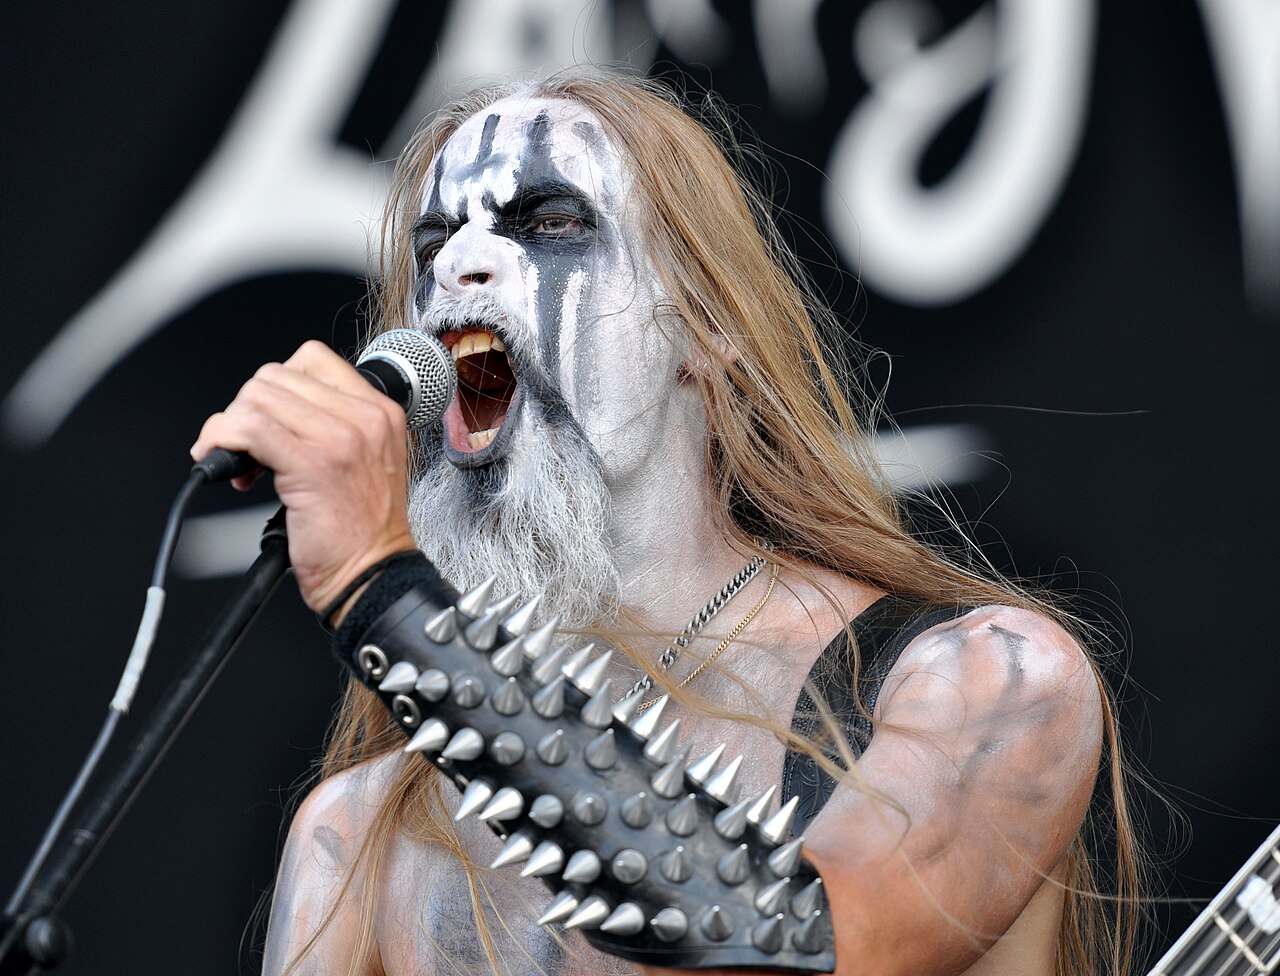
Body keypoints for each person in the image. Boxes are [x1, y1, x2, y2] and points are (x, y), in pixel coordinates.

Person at [191, 71, 1140, 976]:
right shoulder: (358, 836)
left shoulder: (984, 683)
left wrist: (380, 591)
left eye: (553, 222)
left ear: (704, 325)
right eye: (434, 239)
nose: (457, 265)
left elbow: (801, 949)